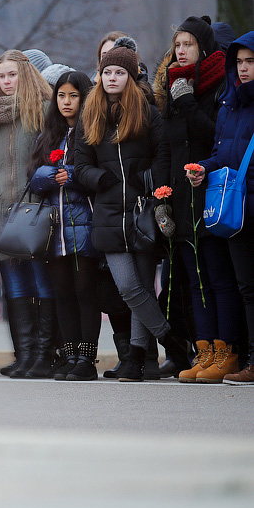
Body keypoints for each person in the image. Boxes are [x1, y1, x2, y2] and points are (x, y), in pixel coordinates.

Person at [74, 37, 190, 381]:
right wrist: (102, 179)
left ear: (130, 75)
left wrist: (146, 179)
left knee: (141, 283)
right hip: (109, 213)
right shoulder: (90, 114)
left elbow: (163, 154)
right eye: (106, 71)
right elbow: (81, 165)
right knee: (128, 286)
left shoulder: (147, 111)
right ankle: (170, 338)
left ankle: (136, 359)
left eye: (118, 72)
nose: (111, 77)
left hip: (143, 210)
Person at [152, 15, 241, 383]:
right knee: (194, 279)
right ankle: (204, 352)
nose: (181, 50)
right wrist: (161, 196)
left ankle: (228, 353)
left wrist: (188, 103)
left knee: (219, 277)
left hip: (212, 193)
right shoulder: (174, 88)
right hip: (180, 196)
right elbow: (167, 149)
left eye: (188, 44)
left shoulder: (220, 86)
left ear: (204, 48)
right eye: (177, 44)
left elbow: (216, 138)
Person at [0, 49, 54, 379]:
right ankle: (27, 354)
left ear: (26, 75)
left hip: (32, 211)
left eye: (12, 75)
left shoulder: (42, 111)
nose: (6, 82)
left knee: (40, 281)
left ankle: (45, 355)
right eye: (1, 76)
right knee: (15, 285)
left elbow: (51, 160)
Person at [28, 70, 102, 380]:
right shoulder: (49, 134)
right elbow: (32, 177)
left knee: (84, 290)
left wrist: (72, 175)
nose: (66, 101)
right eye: (61, 95)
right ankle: (69, 355)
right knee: (62, 291)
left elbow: (100, 175)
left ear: (84, 98)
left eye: (73, 95)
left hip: (84, 222)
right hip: (54, 227)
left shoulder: (93, 132)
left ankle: (87, 359)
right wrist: (47, 175)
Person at [192, 30, 254, 385]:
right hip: (238, 209)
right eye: (239, 62)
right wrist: (204, 169)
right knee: (245, 286)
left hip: (250, 200)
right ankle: (246, 357)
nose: (243, 69)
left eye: (250, 62)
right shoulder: (229, 104)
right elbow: (222, 155)